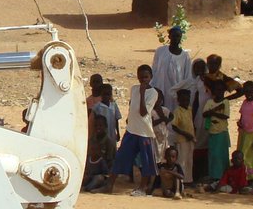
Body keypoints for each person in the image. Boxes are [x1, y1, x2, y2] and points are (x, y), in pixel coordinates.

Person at [109, 65, 159, 196]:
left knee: (146, 161)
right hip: (132, 129)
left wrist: (142, 94)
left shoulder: (153, 93)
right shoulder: (134, 89)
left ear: (151, 77)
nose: (143, 80)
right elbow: (133, 105)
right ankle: (109, 185)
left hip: (144, 132)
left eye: (146, 77)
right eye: (141, 77)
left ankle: (143, 188)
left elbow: (143, 112)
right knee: (121, 157)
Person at [151, 26, 192, 109]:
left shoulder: (185, 56)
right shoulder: (160, 51)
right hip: (161, 88)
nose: (176, 38)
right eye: (173, 36)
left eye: (178, 36)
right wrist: (153, 87)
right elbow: (154, 70)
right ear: (169, 36)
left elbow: (188, 76)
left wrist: (179, 91)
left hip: (176, 92)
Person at [202, 82, 232, 182]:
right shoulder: (210, 102)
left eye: (221, 90)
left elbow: (225, 116)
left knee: (221, 155)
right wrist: (216, 110)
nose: (219, 92)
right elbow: (204, 114)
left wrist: (212, 112)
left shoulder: (225, 102)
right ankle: (213, 175)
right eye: (217, 90)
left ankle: (222, 176)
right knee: (213, 154)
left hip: (222, 132)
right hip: (212, 132)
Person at [170, 88, 196, 189]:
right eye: (183, 100)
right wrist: (185, 134)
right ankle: (181, 181)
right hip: (182, 140)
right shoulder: (177, 111)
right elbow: (174, 126)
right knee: (182, 161)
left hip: (190, 139)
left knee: (189, 160)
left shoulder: (189, 109)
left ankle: (189, 180)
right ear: (178, 100)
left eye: (187, 99)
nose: (185, 102)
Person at [83, 116, 117, 191]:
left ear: (105, 127)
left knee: (98, 178)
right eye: (96, 126)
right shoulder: (92, 140)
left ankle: (89, 188)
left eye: (101, 125)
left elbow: (110, 160)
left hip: (102, 174)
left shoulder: (109, 142)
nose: (98, 128)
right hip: (91, 173)